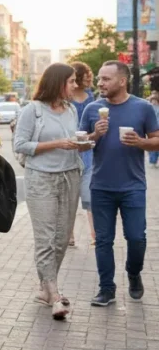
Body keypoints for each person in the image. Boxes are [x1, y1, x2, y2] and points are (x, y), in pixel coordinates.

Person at [12, 64, 91, 320]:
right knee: (46, 239)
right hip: (41, 179)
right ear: (57, 82)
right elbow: (21, 145)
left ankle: (45, 289)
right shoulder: (32, 111)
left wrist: (87, 141)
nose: (74, 86)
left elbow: (73, 144)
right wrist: (58, 143)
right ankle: (55, 295)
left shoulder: (69, 110)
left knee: (60, 239)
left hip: (70, 175)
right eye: (70, 82)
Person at [80, 61, 159, 306]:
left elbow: (156, 140)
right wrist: (95, 134)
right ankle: (107, 289)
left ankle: (134, 274)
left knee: (136, 237)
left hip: (133, 186)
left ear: (122, 81)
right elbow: (81, 145)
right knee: (103, 240)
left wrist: (140, 142)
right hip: (101, 185)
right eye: (100, 78)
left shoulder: (143, 108)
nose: (100, 83)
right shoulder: (93, 109)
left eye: (106, 79)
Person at [69, 62, 96, 245]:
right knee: (70, 195)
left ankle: (95, 234)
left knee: (90, 193)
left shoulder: (91, 97)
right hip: (69, 148)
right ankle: (68, 235)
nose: (89, 77)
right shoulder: (66, 97)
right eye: (86, 73)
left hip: (88, 150)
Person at [149, 93, 159, 168]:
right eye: (152, 100)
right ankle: (153, 161)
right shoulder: (149, 108)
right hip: (153, 129)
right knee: (153, 145)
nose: (153, 102)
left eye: (155, 100)